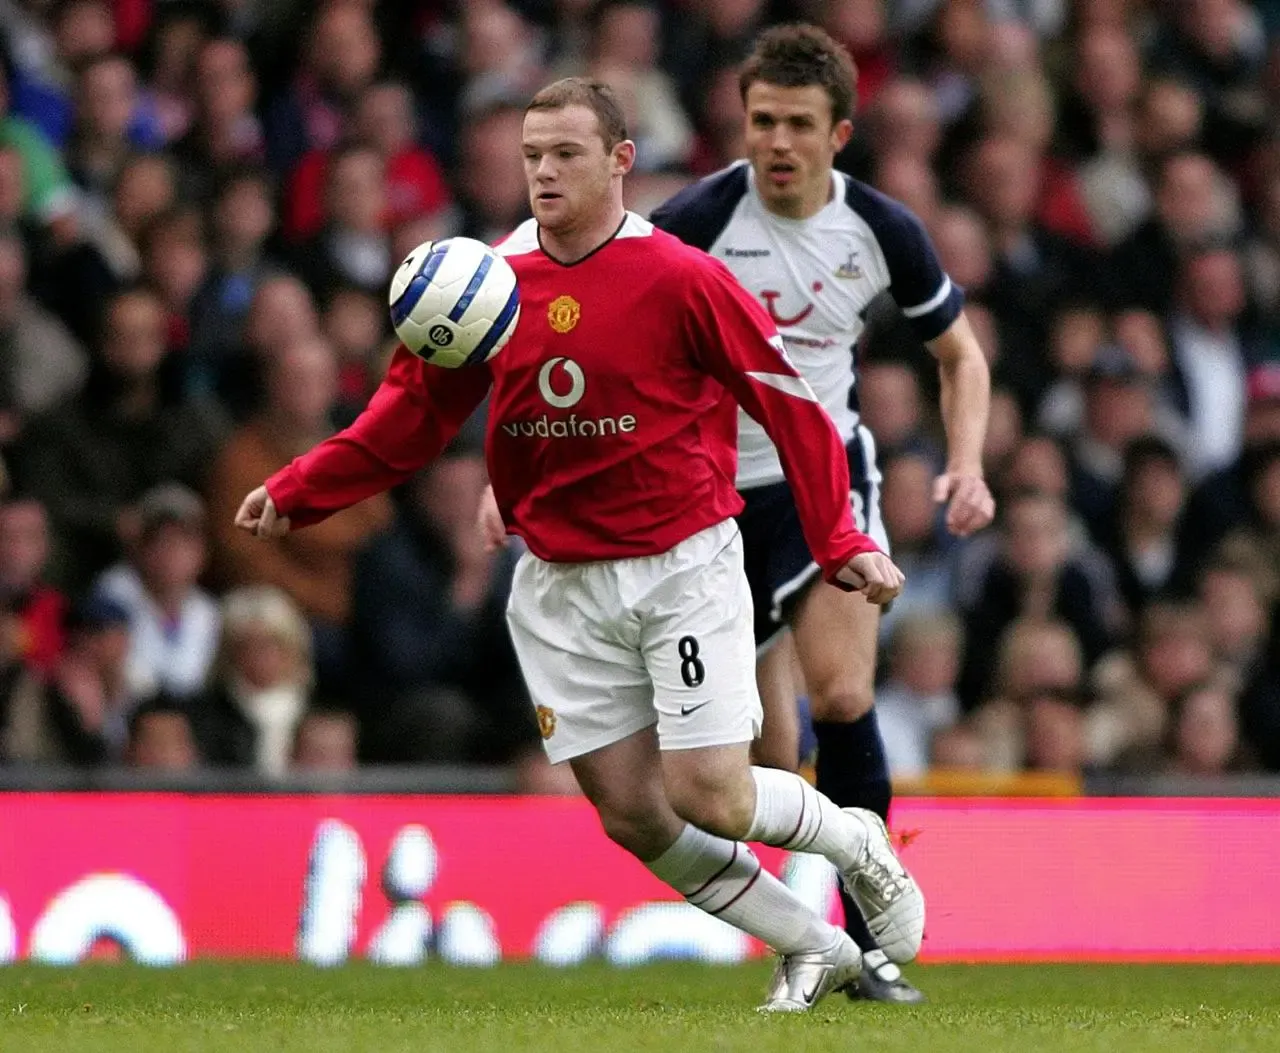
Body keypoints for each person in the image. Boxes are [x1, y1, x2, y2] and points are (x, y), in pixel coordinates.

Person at [236, 76, 922, 1013]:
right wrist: (298, 489)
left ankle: (854, 842)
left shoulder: (681, 276)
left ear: (620, 162)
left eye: (565, 154)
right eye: (530, 156)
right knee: (635, 814)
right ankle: (812, 944)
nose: (544, 173)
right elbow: (406, 420)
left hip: (680, 563)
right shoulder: (486, 284)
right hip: (557, 582)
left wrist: (838, 532)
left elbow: (792, 404)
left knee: (711, 796)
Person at [643, 24, 995, 1002]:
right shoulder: (691, 223)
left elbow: (959, 355)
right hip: (711, 501)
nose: (777, 142)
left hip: (826, 485)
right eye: (761, 121)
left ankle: (866, 941)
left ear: (837, 132)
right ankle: (810, 939)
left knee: (840, 698)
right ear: (741, 123)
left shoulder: (878, 229)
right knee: (757, 757)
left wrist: (963, 464)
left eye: (798, 123)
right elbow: (609, 335)